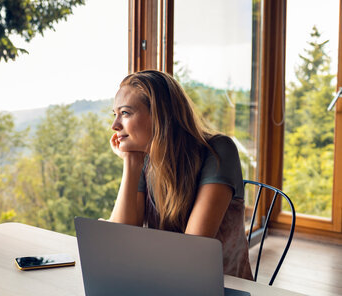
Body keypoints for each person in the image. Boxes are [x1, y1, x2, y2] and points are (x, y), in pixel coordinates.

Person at [108, 70, 253, 280]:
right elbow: (119, 239)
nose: (115, 126)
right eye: (115, 114)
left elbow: (192, 250)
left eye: (126, 113)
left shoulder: (218, 150)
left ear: (159, 116)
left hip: (220, 286)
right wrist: (131, 163)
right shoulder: (145, 157)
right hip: (165, 280)